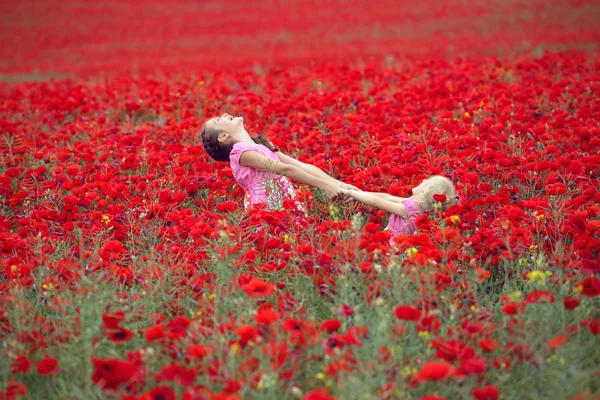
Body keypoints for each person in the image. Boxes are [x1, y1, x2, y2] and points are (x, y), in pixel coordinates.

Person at [201, 113, 352, 212]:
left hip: (285, 203)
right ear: (223, 136)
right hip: (267, 210)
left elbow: (301, 166)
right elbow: (284, 170)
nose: (225, 114)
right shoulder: (240, 153)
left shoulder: (261, 146)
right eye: (219, 120)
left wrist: (336, 184)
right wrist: (325, 185)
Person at [341, 175, 458, 245]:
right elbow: (387, 197)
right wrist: (359, 193)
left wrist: (350, 193)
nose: (423, 180)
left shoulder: (409, 210)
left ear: (426, 192)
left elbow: (376, 202)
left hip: (391, 247)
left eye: (427, 182)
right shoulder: (414, 205)